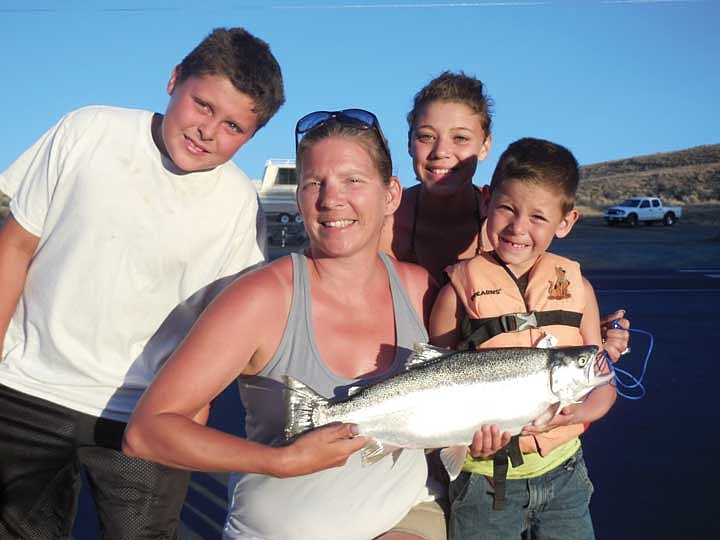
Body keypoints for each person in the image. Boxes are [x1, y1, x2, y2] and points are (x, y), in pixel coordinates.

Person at [0, 27, 284, 539]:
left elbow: (216, 334)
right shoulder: (88, 131)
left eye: (234, 126)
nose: (208, 130)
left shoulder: (240, 206)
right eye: (201, 104)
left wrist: (188, 428)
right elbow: (15, 246)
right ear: (175, 79)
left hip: (146, 414)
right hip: (26, 389)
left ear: (251, 136)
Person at [123, 109, 448, 540]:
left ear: (390, 195)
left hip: (401, 515)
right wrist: (279, 461)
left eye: (353, 180)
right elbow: (147, 431)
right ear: (299, 198)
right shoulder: (259, 299)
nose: (331, 199)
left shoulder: (420, 290)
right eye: (315, 183)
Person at [429, 137, 617, 540]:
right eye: (507, 209)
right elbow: (433, 382)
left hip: (565, 475)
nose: (518, 228)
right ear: (486, 203)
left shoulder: (579, 289)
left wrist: (578, 414)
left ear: (565, 223)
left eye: (538, 217)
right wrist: (463, 440)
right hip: (486, 482)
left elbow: (605, 388)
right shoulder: (455, 292)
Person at [379, 71, 629, 362]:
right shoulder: (380, 225)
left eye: (460, 138)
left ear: (485, 146)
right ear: (409, 142)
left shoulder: (507, 229)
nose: (441, 151)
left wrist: (586, 335)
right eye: (425, 136)